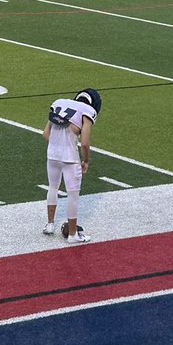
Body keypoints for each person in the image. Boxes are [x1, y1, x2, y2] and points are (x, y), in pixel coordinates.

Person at [42, 88, 101, 243]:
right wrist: (86, 160)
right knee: (73, 195)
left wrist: (58, 145)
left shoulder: (59, 103)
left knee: (53, 187)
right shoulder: (87, 111)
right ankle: (73, 235)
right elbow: (85, 143)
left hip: (52, 155)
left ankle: (49, 225)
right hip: (70, 158)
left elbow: (45, 134)